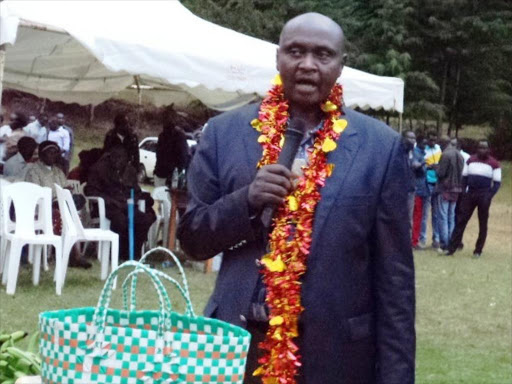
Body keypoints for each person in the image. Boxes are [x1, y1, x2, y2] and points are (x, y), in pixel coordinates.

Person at [178, 13, 415, 384]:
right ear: (277, 58)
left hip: (335, 354)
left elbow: (395, 281)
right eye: (295, 51)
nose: (307, 64)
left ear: (341, 65)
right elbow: (192, 240)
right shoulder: (225, 133)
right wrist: (247, 200)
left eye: (322, 54)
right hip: (237, 348)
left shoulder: (379, 147)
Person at [25, 141, 91, 268]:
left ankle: (72, 253)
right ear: (42, 155)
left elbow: (64, 187)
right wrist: (55, 199)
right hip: (43, 207)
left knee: (72, 209)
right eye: (50, 153)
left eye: (55, 153)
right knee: (66, 213)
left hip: (61, 204)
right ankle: (74, 255)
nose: (53, 156)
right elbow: (35, 194)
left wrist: (68, 190)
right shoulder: (34, 171)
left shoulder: (58, 171)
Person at [85, 146, 156, 261]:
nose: (118, 161)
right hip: (108, 207)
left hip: (127, 205)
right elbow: (90, 190)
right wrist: (112, 201)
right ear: (111, 157)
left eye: (122, 159)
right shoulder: (99, 169)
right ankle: (117, 253)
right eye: (116, 158)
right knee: (121, 221)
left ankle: (134, 253)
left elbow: (136, 190)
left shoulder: (129, 170)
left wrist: (134, 199)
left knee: (145, 219)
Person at [446, 140, 501, 258]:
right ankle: (452, 248)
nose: (482, 150)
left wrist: (489, 195)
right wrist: (464, 192)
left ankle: (478, 250)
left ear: (488, 149)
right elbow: (464, 178)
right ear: (477, 149)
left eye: (484, 148)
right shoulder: (470, 160)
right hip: (470, 193)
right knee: (461, 220)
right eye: (480, 148)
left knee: (482, 223)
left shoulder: (494, 163)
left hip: (484, 194)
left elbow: (496, 183)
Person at [435, 136, 464, 251]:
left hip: (445, 189)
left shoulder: (446, 155)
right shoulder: (460, 155)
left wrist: (435, 168)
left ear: (443, 144)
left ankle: (445, 244)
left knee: (443, 216)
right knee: (451, 216)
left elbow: (441, 174)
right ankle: (452, 242)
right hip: (457, 189)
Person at [154, 110, 190, 187]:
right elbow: (159, 154)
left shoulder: (179, 136)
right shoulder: (162, 136)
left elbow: (184, 156)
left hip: (173, 175)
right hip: (162, 173)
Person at [421, 131, 442, 249]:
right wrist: (429, 166)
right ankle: (422, 239)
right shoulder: (424, 149)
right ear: (427, 139)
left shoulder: (439, 149)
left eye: (435, 139)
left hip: (437, 183)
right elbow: (421, 164)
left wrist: (438, 166)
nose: (433, 141)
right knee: (425, 213)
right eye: (431, 139)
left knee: (436, 213)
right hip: (427, 182)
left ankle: (436, 238)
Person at [411, 135, 429, 249]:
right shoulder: (415, 153)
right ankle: (414, 241)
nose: (425, 145)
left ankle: (417, 238)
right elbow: (415, 166)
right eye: (423, 143)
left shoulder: (422, 153)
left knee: (421, 216)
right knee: (416, 216)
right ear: (418, 142)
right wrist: (423, 164)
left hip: (424, 188)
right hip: (417, 189)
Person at [402, 130, 419, 231]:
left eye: (414, 138)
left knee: (409, 217)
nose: (413, 141)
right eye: (410, 138)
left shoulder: (414, 153)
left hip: (410, 190)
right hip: (398, 190)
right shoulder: (397, 153)